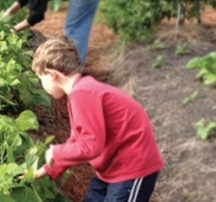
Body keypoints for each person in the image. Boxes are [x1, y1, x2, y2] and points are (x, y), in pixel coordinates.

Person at [29, 37, 164, 202]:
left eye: (40, 78)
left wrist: (56, 152)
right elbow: (77, 139)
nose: (41, 84)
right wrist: (49, 168)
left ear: (52, 75)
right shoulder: (81, 91)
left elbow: (90, 146)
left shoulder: (83, 94)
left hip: (132, 168)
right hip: (112, 167)